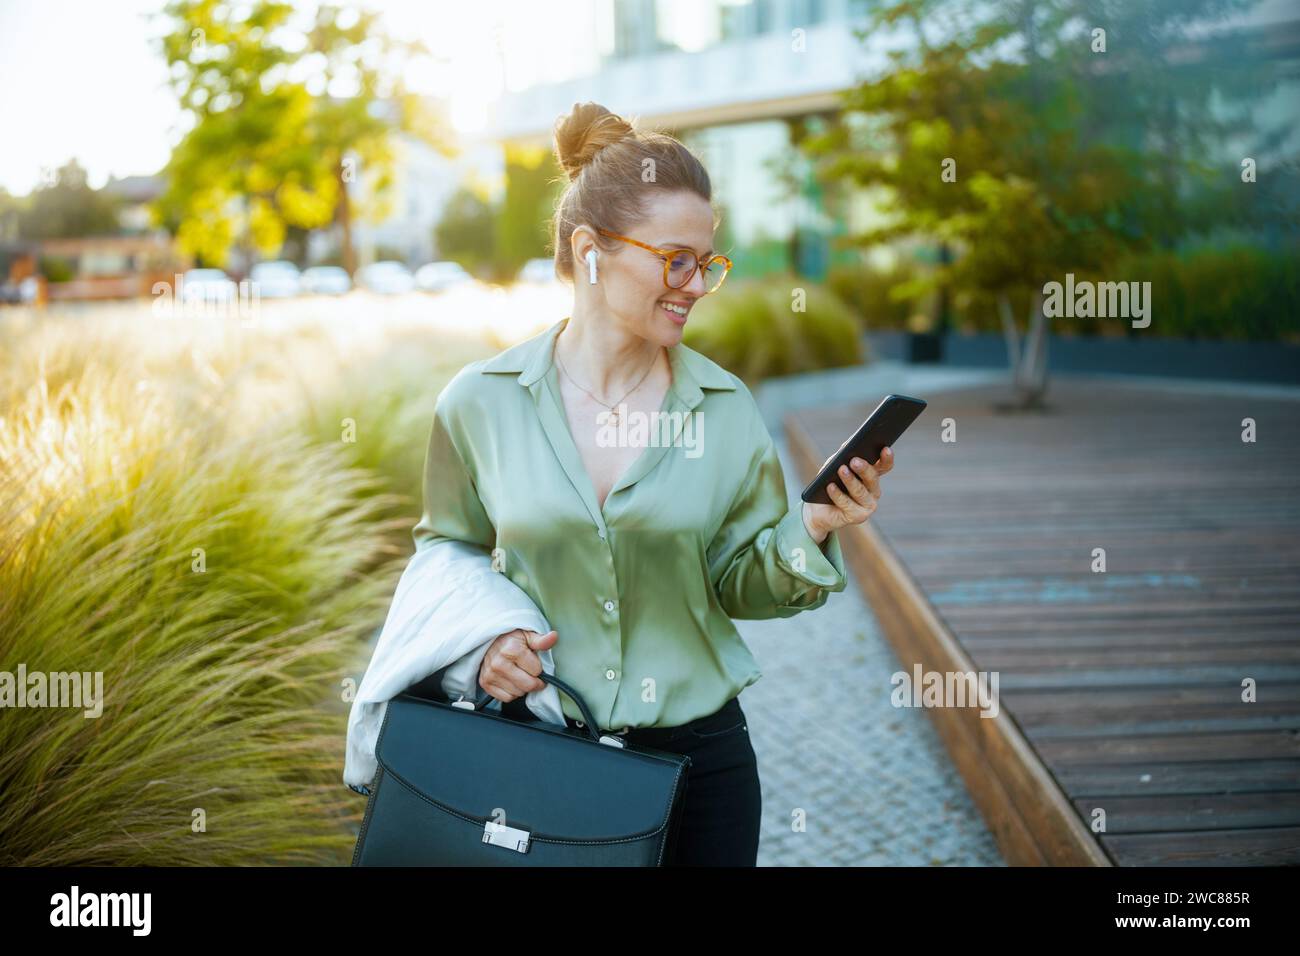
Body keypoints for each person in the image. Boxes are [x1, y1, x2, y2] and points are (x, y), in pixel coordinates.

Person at [417, 101, 894, 866]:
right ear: (592, 249)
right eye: (675, 259)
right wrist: (483, 646)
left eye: (707, 262)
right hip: (538, 758)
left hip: (702, 768)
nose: (697, 284)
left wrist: (812, 527)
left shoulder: (725, 406)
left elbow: (740, 584)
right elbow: (447, 552)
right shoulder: (480, 401)